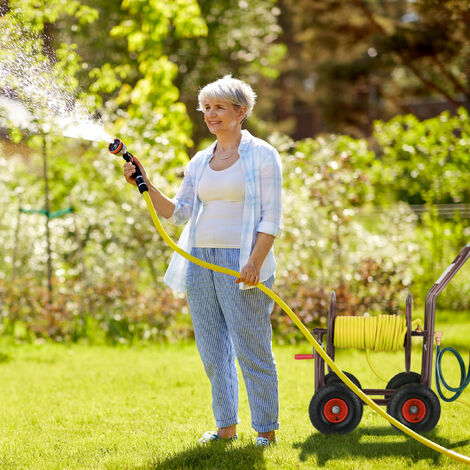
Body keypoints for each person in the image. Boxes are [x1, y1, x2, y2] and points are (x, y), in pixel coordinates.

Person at [123, 75, 283, 447]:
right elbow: (177, 213)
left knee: (251, 348)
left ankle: (265, 432)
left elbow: (271, 219)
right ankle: (226, 427)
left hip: (241, 262)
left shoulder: (262, 155)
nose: (211, 115)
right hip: (199, 262)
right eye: (207, 108)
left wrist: (255, 263)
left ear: (240, 112)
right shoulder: (200, 160)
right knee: (213, 351)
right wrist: (144, 182)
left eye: (219, 108)